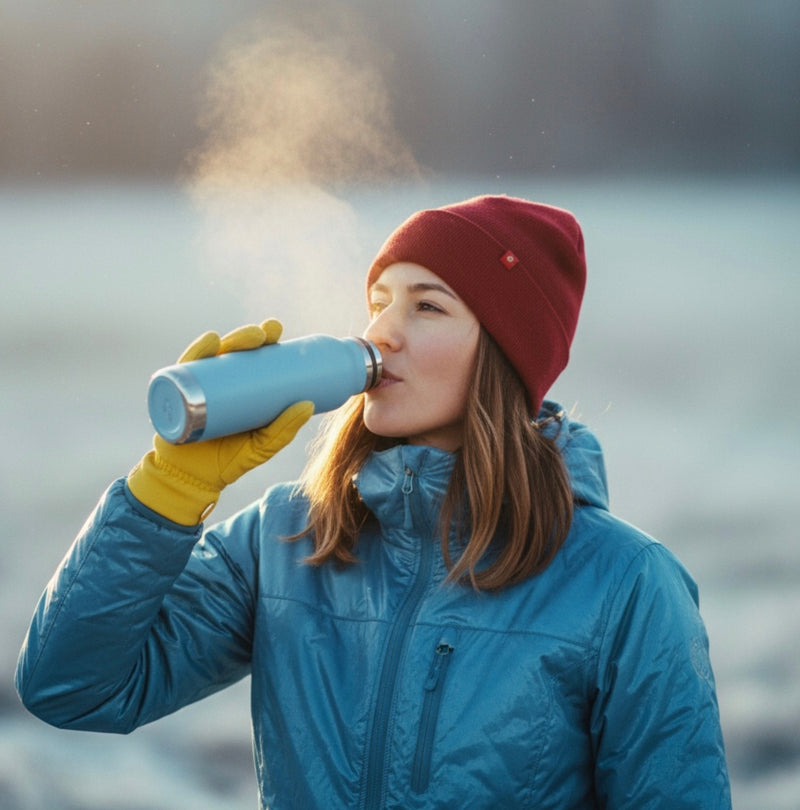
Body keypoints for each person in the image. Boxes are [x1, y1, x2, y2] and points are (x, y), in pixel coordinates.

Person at [16, 195, 731, 808]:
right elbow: (71, 687)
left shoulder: (626, 584)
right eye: (377, 302)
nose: (381, 332)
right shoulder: (286, 539)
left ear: (507, 355)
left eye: (426, 306)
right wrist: (170, 487)